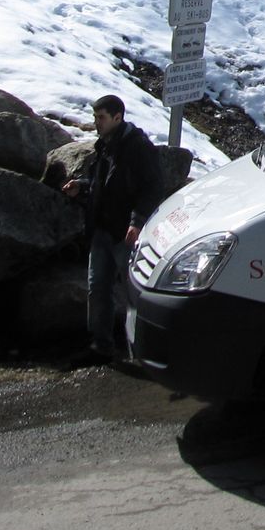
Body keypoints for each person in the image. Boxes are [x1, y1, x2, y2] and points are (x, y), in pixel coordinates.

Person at [62, 95, 161, 365]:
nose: (96, 123)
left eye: (101, 118)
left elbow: (153, 187)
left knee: (134, 293)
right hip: (102, 229)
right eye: (95, 118)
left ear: (118, 117)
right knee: (98, 288)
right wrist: (82, 186)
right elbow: (103, 182)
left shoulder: (137, 147)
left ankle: (143, 350)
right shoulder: (105, 145)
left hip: (125, 232)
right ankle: (101, 345)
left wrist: (137, 221)